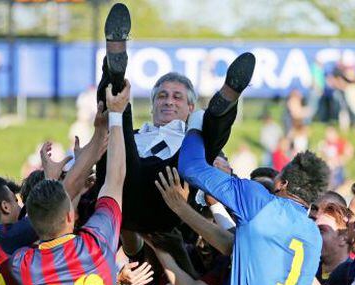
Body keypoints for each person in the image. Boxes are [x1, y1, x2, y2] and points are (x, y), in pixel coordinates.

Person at [93, 2, 256, 232]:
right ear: (152, 106)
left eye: (177, 97)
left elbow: (224, 180)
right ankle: (115, 72)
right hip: (120, 191)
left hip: (168, 196)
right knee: (116, 117)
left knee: (202, 146)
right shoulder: (131, 136)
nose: (169, 101)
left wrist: (224, 173)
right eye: (162, 96)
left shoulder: (194, 140)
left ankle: (225, 103)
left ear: (190, 107)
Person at [178, 111, 330, 285]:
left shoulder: (260, 202)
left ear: (282, 183)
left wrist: (196, 123)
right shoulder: (313, 235)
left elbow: (191, 167)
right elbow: (246, 248)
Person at [10, 81, 129, 285]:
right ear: (69, 216)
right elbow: (115, 178)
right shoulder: (97, 241)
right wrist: (116, 116)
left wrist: (51, 182)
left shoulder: (21, 264)